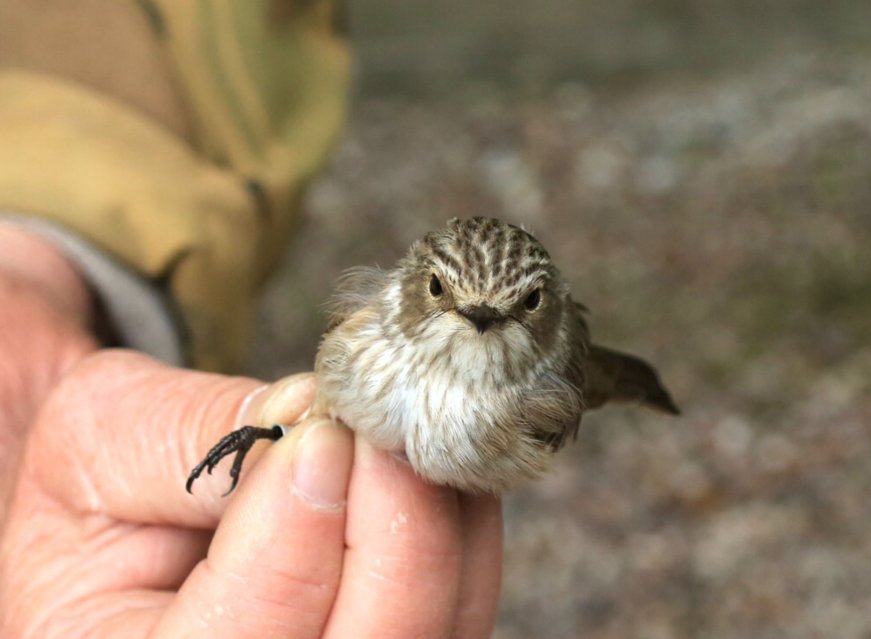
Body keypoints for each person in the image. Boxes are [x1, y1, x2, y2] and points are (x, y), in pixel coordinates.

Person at [0, 2, 502, 637]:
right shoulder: (370, 321)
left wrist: (26, 272)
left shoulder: (519, 392)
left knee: (394, 524)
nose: (475, 326)